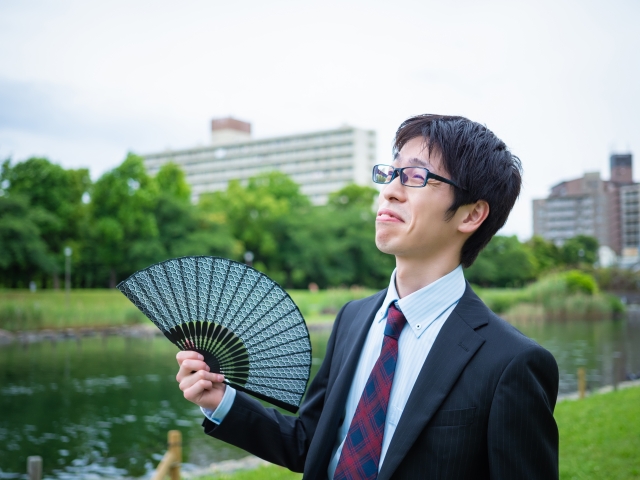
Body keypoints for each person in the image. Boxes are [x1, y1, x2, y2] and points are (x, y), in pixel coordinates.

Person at [175, 114, 559, 479]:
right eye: (391, 173)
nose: (389, 191)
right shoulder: (354, 318)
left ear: (471, 215)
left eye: (415, 177)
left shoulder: (512, 362)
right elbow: (313, 444)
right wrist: (220, 399)